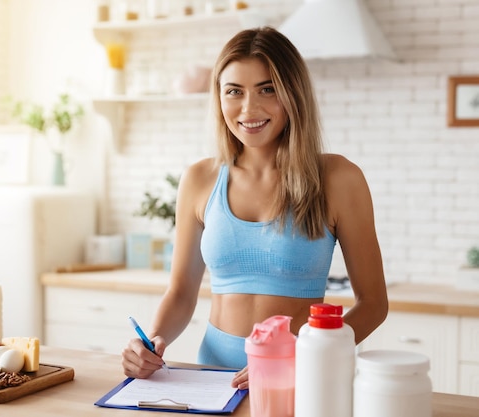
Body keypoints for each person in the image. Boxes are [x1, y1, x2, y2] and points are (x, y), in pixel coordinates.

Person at [121, 26, 388, 390]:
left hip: (299, 377)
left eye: (267, 89)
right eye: (234, 91)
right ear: (218, 98)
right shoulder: (199, 179)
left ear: (293, 94)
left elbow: (373, 304)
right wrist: (149, 343)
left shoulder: (339, 178)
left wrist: (304, 355)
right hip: (214, 380)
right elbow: (182, 292)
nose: (249, 108)